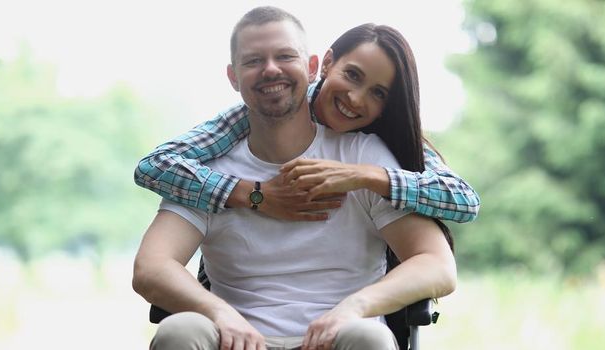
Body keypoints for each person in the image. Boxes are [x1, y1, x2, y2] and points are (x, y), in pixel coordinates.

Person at [133, 6, 457, 350]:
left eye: (285, 56)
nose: (270, 70)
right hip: (235, 338)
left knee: (370, 335)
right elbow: (151, 267)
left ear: (313, 66)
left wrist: (355, 307)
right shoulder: (206, 170)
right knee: (179, 331)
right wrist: (217, 312)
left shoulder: (363, 158)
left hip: (340, 335)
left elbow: (437, 265)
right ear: (233, 77)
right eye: (253, 60)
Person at [133, 14, 480, 224]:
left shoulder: (383, 139)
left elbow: (464, 200)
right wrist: (255, 195)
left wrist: (366, 175)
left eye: (378, 93)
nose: (355, 99)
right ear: (326, 63)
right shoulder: (269, 109)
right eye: (353, 76)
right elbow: (154, 165)